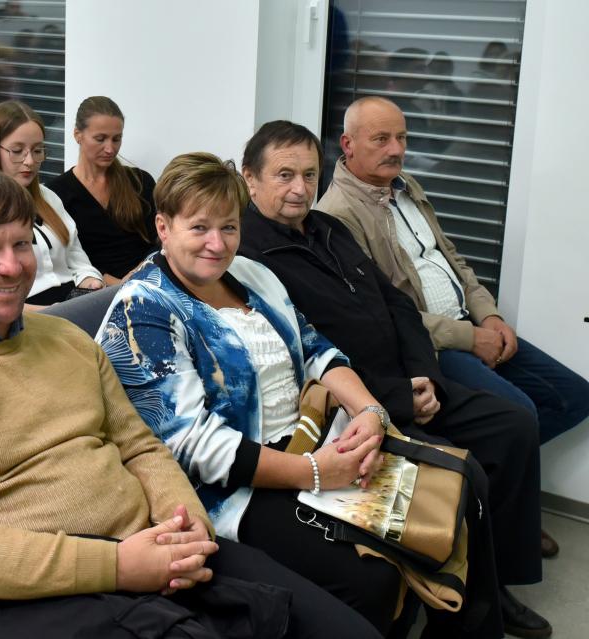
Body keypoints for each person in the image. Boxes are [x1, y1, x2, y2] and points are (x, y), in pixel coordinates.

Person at [0, 167, 383, 639]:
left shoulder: (66, 340)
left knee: (345, 627)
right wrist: (119, 566)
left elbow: (140, 445)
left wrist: (184, 523)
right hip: (46, 590)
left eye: (21, 244)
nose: (12, 266)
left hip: (155, 547)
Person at [236, 120, 551, 639]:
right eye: (284, 175)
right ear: (250, 178)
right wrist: (397, 398)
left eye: (309, 174)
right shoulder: (246, 255)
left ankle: (500, 582)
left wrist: (425, 375)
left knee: (514, 425)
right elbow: (302, 359)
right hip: (355, 403)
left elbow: (398, 305)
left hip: (409, 377)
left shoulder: (328, 228)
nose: (300, 188)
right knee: (464, 475)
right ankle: (472, 603)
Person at [97, 151, 405, 633]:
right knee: (374, 577)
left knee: (435, 508)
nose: (217, 244)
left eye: (229, 227)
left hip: (310, 443)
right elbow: (191, 445)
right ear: (163, 227)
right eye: (199, 228)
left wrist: (368, 410)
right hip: (231, 488)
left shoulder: (252, 274)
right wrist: (313, 472)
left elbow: (314, 348)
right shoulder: (144, 309)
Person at [318, 96, 589, 450]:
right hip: (430, 345)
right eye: (381, 139)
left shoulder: (405, 185)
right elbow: (382, 315)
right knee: (520, 415)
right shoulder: (336, 215)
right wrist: (470, 338)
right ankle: (477, 470)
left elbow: (450, 257)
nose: (396, 149)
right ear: (348, 144)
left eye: (402, 137)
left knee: (575, 396)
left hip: (468, 322)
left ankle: (482, 469)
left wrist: (488, 315)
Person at [0, 99, 103, 304]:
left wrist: (91, 281)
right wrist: (50, 313)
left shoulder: (49, 197)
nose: (30, 162)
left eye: (37, 151)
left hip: (69, 300)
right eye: (17, 151)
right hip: (24, 310)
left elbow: (78, 261)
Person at [47, 96, 157, 283]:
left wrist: (138, 275)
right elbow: (65, 258)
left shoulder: (140, 181)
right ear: (77, 135)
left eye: (116, 139)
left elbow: (160, 240)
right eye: (100, 139)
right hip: (93, 287)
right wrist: (114, 284)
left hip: (149, 280)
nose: (110, 149)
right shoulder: (56, 193)